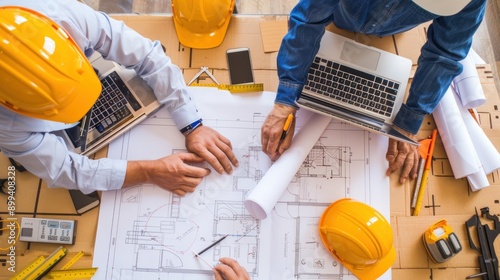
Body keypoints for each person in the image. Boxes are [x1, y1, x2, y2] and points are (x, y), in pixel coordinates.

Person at [0, 0, 239, 196]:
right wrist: (149, 171)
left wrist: (192, 125)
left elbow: (147, 56)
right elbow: (65, 170)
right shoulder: (5, 126)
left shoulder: (59, 15)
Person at [261, 0, 487, 184]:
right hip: (339, 15)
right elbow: (309, 18)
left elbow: (445, 55)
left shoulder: (471, 2)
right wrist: (285, 100)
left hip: (391, 30)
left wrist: (408, 122)